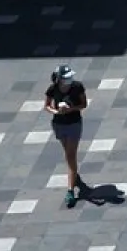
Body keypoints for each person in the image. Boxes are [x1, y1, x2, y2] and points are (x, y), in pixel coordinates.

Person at [45, 65, 89, 209]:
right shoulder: (53, 89)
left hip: (74, 124)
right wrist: (56, 111)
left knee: (71, 156)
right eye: (66, 78)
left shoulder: (77, 87)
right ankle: (74, 175)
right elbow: (46, 106)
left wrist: (71, 109)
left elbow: (84, 104)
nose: (69, 80)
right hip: (59, 124)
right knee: (68, 153)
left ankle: (70, 190)